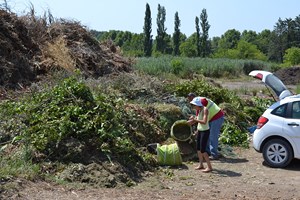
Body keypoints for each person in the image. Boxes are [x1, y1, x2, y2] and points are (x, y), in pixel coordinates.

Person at [187, 93, 224, 160]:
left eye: (191, 100)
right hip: (210, 119)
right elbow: (199, 118)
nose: (191, 103)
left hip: (217, 117)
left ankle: (214, 154)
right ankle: (207, 152)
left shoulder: (202, 101)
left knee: (213, 136)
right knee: (206, 135)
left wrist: (194, 121)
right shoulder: (198, 107)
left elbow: (202, 120)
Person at [188, 97, 212, 172]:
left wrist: (194, 120)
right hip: (200, 130)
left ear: (198, 105)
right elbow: (197, 121)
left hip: (205, 131)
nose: (193, 107)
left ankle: (209, 167)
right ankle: (201, 164)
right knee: (198, 149)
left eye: (194, 105)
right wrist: (190, 121)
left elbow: (204, 121)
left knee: (203, 150)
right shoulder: (198, 110)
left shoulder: (205, 109)